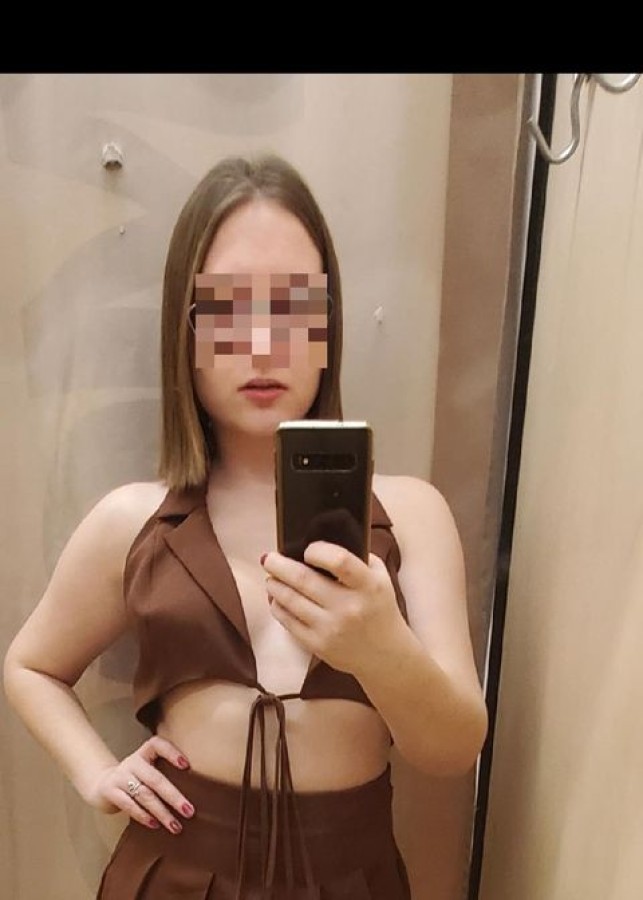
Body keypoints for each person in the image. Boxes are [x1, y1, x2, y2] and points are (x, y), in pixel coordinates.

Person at [3, 155, 488, 899]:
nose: (262, 344)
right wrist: (96, 772)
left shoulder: (410, 516)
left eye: (293, 308)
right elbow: (31, 666)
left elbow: (453, 750)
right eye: (226, 311)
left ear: (327, 327)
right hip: (173, 875)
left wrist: (380, 649)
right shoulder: (134, 522)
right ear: (186, 333)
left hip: (350, 881)